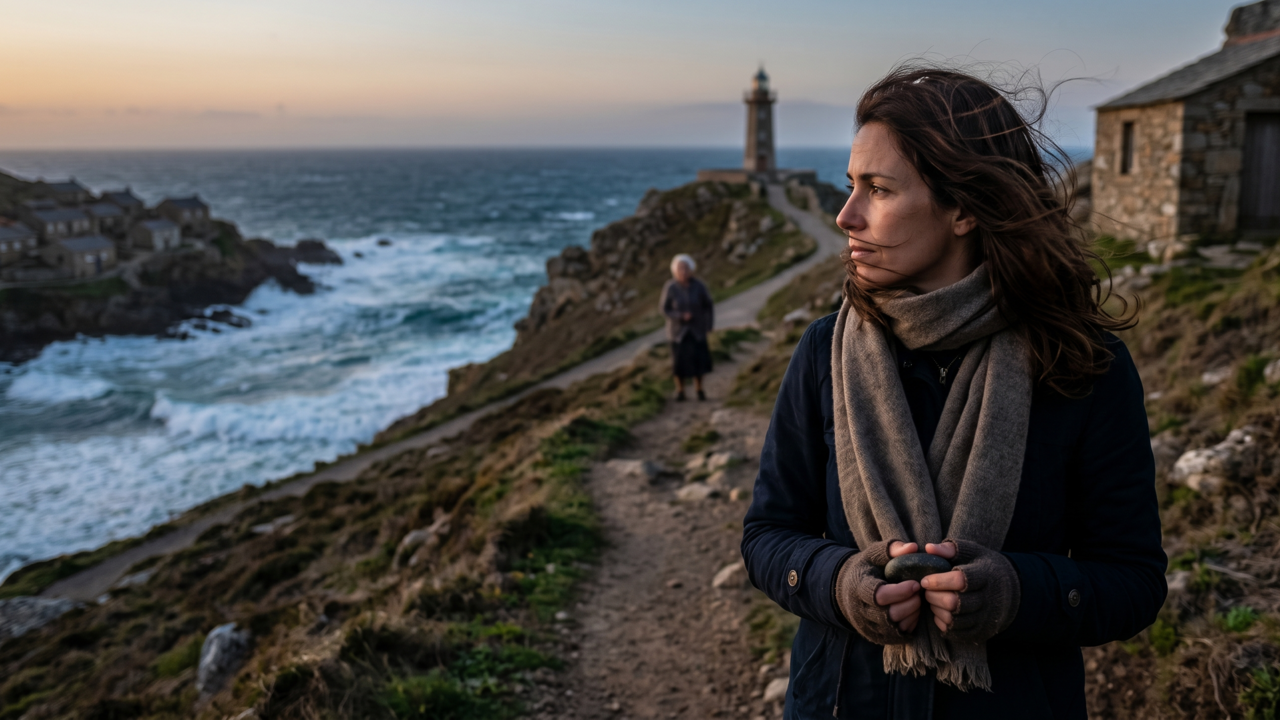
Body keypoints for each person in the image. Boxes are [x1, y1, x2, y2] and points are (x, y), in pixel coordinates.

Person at [741, 66, 1167, 719]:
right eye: (850, 185)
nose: (846, 215)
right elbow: (768, 535)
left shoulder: (1082, 364)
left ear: (965, 208)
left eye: (878, 189)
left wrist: (1017, 593)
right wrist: (839, 582)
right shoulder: (824, 351)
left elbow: (1133, 580)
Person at [660, 253, 714, 401]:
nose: (683, 271)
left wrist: (708, 325)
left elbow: (708, 306)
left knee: (699, 362)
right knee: (679, 364)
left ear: (691, 269)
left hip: (697, 330)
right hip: (677, 333)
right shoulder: (670, 287)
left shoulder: (699, 286)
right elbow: (664, 309)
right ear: (674, 271)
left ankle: (699, 389)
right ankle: (680, 390)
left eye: (686, 268)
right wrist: (680, 316)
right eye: (680, 268)